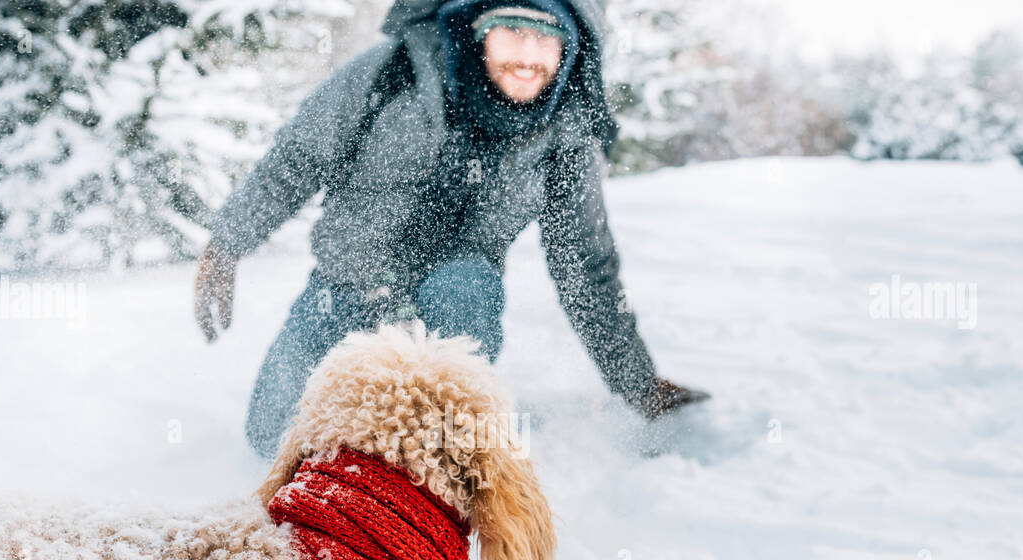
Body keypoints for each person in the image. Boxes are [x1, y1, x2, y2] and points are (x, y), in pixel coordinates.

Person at [195, 0, 706, 458]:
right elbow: (297, 159)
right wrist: (226, 244)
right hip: (347, 284)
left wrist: (636, 383)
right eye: (512, 31)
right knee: (271, 437)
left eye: (546, 37)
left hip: (454, 290)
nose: (528, 57)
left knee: (462, 289)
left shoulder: (567, 130)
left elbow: (585, 265)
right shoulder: (394, 71)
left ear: (569, 48)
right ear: (479, 29)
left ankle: (442, 442)